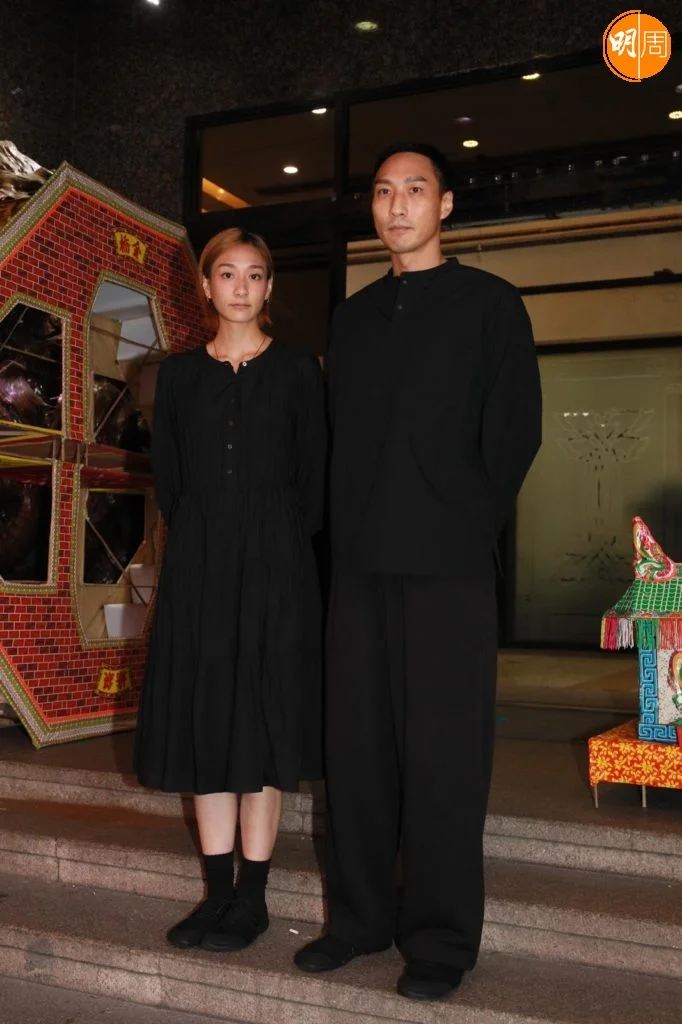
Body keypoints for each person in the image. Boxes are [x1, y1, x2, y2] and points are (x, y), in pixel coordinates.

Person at [294, 143, 542, 1000]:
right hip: (360, 572)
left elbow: (514, 434)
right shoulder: (354, 319)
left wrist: (464, 525)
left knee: (444, 759)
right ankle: (359, 920)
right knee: (356, 754)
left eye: (415, 190)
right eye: (383, 192)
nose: (397, 206)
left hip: (448, 571)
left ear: (446, 206)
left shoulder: (491, 305)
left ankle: (439, 939)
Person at [135, 227, 326, 954]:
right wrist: (211, 539)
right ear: (206, 285)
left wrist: (269, 537)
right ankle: (216, 894)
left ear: (269, 287)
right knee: (206, 721)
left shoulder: (300, 371)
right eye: (226, 273)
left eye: (254, 274)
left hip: (277, 569)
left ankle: (253, 899)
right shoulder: (179, 376)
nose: (240, 287)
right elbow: (171, 482)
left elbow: (314, 483)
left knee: (263, 723)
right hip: (201, 568)